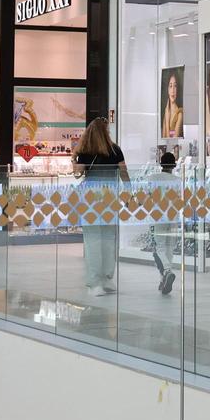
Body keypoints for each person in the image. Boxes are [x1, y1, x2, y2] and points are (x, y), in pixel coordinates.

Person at [72, 117, 129, 298]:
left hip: (90, 197)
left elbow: (77, 173)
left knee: (92, 239)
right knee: (108, 238)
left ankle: (95, 282)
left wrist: (74, 158)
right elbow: (124, 172)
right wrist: (128, 193)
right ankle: (107, 278)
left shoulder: (86, 151)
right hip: (110, 196)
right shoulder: (115, 149)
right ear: (106, 132)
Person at [147, 152, 181, 295]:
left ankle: (167, 271)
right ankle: (163, 278)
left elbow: (147, 196)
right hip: (173, 216)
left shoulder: (152, 178)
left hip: (158, 216)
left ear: (161, 164)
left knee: (159, 247)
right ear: (174, 165)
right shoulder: (178, 180)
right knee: (169, 247)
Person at [162, 71, 183, 138]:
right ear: (168, 89)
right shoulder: (166, 111)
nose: (172, 90)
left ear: (177, 89)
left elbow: (172, 141)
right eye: (170, 86)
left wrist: (167, 120)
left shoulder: (180, 114)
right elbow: (163, 140)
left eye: (175, 86)